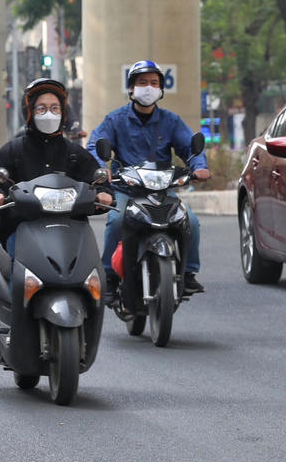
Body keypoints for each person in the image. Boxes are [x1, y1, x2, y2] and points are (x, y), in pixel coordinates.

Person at [88, 60, 210, 298]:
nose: (148, 88)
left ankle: (188, 273)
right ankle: (110, 276)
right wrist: (102, 168)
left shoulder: (171, 121)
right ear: (131, 88)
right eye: (142, 82)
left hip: (162, 190)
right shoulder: (115, 120)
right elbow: (95, 144)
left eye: (154, 83)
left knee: (191, 222)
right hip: (126, 189)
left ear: (161, 89)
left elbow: (191, 148)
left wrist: (199, 167)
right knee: (116, 221)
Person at [0, 78, 112, 267]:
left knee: (91, 272)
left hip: (71, 230)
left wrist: (104, 194)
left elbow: (98, 181)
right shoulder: (14, 150)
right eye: (41, 108)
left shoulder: (74, 153)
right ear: (29, 112)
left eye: (55, 108)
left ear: (63, 113)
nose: (49, 114)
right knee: (22, 273)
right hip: (22, 228)